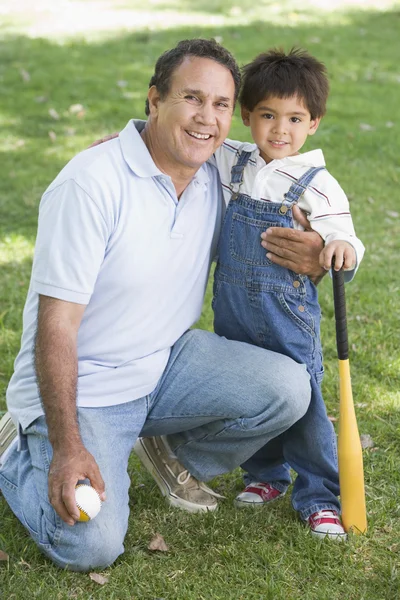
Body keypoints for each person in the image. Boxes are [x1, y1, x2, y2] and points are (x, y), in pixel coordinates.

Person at [0, 39, 324, 572]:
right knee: (91, 547)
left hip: (167, 363)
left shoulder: (224, 172)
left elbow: (297, 180)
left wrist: (318, 254)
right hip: (87, 388)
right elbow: (56, 328)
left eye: (221, 105)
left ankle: (163, 454)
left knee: (289, 388)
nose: (207, 118)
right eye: (191, 99)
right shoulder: (90, 184)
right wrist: (68, 446)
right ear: (154, 101)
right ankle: (19, 451)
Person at [206, 48, 364, 539]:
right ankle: (265, 475)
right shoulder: (233, 159)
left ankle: (319, 495)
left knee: (306, 402)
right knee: (248, 396)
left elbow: (346, 237)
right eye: (268, 116)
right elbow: (184, 136)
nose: (280, 130)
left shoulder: (318, 185)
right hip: (232, 310)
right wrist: (128, 136)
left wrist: (337, 247)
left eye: (295, 118)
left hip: (286, 314)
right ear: (247, 116)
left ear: (313, 123)